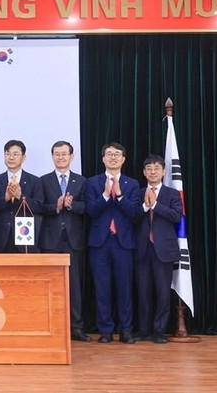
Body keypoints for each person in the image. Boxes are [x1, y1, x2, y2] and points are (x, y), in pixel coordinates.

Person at [85, 142, 142, 344]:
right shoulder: (92, 183)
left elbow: (135, 212)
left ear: (124, 159)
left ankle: (126, 330)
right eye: (109, 154)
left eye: (117, 154)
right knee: (102, 288)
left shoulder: (132, 184)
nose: (113, 157)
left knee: (125, 287)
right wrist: (104, 195)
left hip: (123, 243)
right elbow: (91, 211)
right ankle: (106, 331)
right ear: (103, 159)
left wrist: (118, 195)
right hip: (99, 243)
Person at [38, 141, 91, 342]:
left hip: (74, 240)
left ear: (72, 157)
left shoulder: (81, 181)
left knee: (74, 286)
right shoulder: (43, 181)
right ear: (52, 157)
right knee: (51, 286)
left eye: (64, 154)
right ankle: (52, 326)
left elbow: (87, 207)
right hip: (50, 240)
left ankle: (76, 327)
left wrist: (71, 205)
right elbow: (39, 206)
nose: (60, 158)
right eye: (57, 154)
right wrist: (56, 206)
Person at [134, 155, 183, 344]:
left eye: (156, 168)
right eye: (148, 168)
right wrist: (145, 207)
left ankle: (160, 330)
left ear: (164, 172)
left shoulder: (172, 194)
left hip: (164, 250)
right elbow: (132, 216)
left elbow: (176, 216)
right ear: (144, 172)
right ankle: (144, 329)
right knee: (143, 291)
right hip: (142, 249)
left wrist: (155, 205)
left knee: (163, 291)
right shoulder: (137, 193)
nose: (152, 171)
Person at [0, 140, 44, 253]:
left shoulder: (34, 181)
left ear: (23, 157)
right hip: (2, 238)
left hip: (25, 237)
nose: (11, 157)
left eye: (15, 154)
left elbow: (39, 207)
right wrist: (5, 198)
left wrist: (20, 196)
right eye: (7, 154)